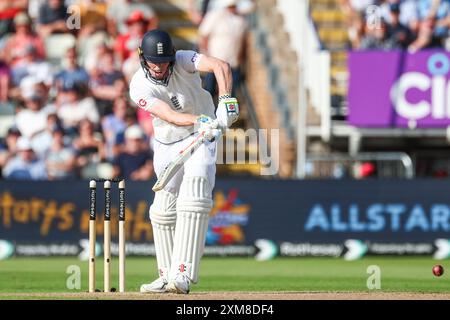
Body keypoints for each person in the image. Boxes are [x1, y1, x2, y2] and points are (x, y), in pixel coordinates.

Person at [129, 29, 239, 294]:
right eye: (153, 62)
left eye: (163, 61)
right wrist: (200, 120)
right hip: (169, 143)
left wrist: (225, 100)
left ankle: (183, 273)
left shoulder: (181, 59)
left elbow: (219, 66)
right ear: (143, 59)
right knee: (162, 211)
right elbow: (168, 114)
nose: (159, 66)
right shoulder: (139, 86)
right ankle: (166, 275)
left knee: (196, 190)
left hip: (203, 137)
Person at [198, 0, 248, 98]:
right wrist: (206, 55)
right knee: (209, 91)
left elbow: (242, 41)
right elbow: (204, 36)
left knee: (230, 94)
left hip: (232, 63)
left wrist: (240, 58)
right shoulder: (215, 16)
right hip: (215, 60)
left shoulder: (240, 20)